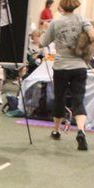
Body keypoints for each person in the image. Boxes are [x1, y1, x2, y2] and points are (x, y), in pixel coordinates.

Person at [40, 0, 94, 150]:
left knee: (59, 98)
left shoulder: (56, 23)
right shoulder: (82, 19)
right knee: (78, 100)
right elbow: (92, 35)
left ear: (61, 6)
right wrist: (82, 48)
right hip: (79, 66)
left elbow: (43, 42)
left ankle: (56, 131)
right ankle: (81, 131)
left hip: (61, 67)